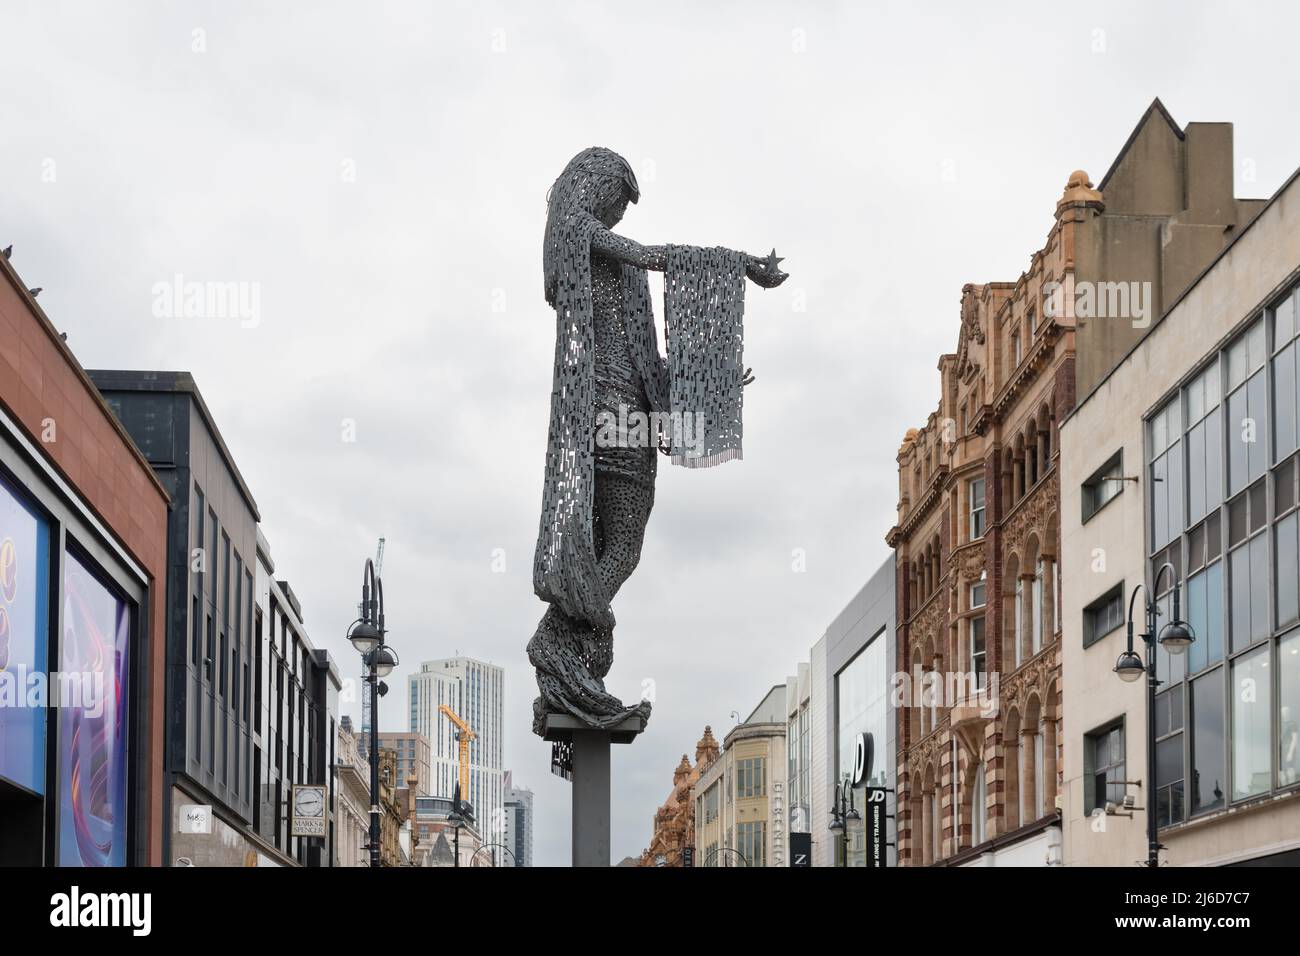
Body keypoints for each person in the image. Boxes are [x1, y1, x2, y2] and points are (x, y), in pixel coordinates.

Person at [528, 147, 785, 734]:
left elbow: (650, 356)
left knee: (616, 541)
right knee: (622, 540)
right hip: (611, 409)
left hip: (625, 407)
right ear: (596, 186)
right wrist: (741, 264)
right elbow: (653, 256)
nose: (619, 217)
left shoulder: (585, 247)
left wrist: (715, 374)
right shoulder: (576, 231)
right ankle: (558, 638)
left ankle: (565, 638)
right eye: (618, 202)